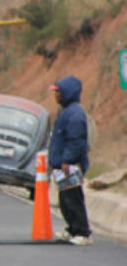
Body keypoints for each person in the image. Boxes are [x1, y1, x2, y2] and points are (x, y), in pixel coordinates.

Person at [48, 76, 92, 246]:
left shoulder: (74, 114)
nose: (56, 95)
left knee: (73, 199)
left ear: (67, 92)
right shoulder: (65, 111)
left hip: (71, 166)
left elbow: (76, 140)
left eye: (58, 91)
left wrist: (68, 160)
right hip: (62, 166)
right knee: (65, 200)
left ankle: (83, 232)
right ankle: (72, 229)